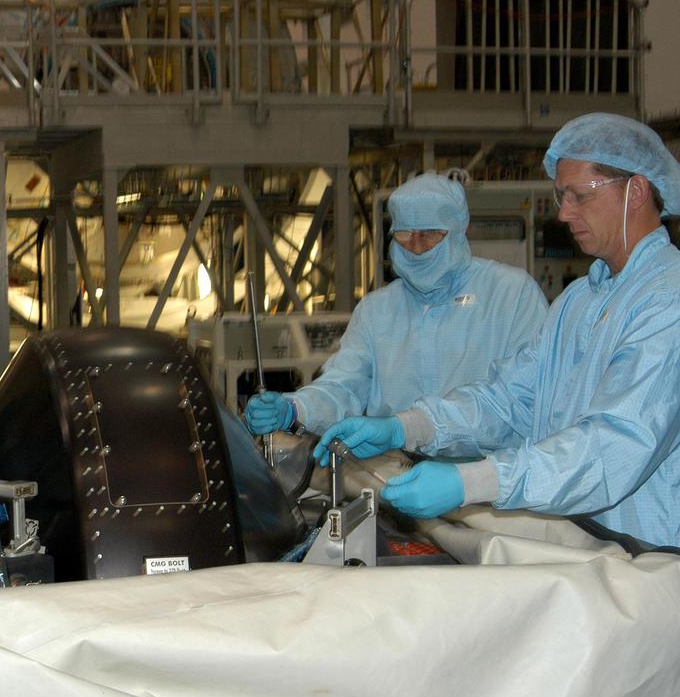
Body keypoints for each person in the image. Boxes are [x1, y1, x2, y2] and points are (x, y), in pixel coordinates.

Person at [316, 113, 680, 547]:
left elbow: (611, 449)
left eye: (579, 196)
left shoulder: (666, 300)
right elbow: (508, 398)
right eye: (561, 196)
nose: (563, 213)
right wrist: (408, 426)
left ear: (636, 191)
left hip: (651, 556)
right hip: (588, 546)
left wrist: (475, 481)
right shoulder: (580, 299)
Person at [245, 173, 548, 458]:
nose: (416, 247)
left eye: (430, 235)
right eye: (404, 235)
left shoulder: (511, 295)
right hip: (397, 471)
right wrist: (296, 408)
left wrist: (412, 427)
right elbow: (345, 385)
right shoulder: (377, 309)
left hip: (493, 477)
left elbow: (519, 399)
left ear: (459, 230)